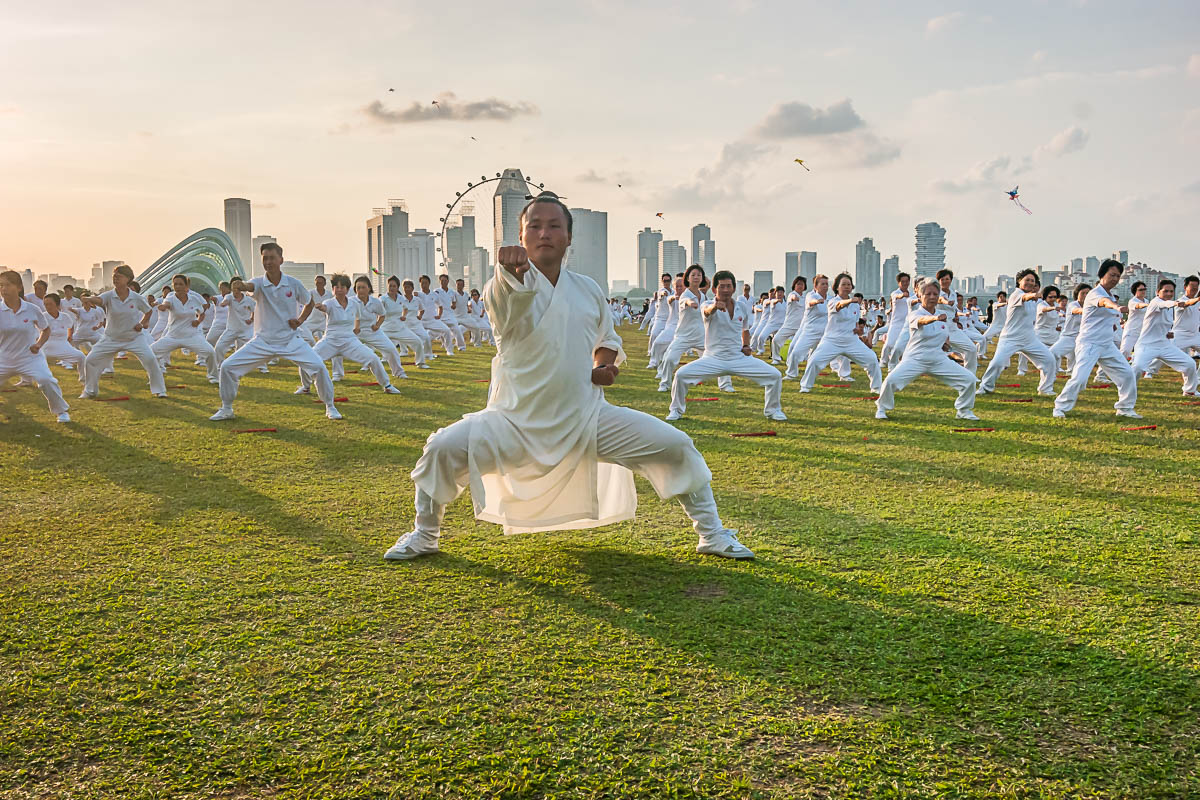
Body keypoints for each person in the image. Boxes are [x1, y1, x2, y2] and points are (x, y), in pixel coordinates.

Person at [383, 193, 752, 561]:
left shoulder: (588, 289)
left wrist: (605, 365)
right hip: (513, 421)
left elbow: (606, 339)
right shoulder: (506, 283)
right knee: (440, 449)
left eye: (554, 226)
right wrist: (510, 268)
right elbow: (510, 301)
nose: (544, 233)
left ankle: (713, 534)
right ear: (521, 237)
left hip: (585, 416)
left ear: (569, 237)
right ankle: (424, 535)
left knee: (676, 445)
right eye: (534, 226)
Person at [210, 242, 342, 421]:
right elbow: (250, 287)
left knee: (318, 367)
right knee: (227, 367)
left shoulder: (293, 284)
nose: (268, 262)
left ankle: (330, 406)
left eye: (272, 258)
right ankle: (226, 408)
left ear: (281, 259)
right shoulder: (259, 283)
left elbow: (309, 302)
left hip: (290, 340)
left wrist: (301, 320)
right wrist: (241, 286)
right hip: (262, 341)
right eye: (265, 258)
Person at [666, 270, 786, 422]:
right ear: (714, 289)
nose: (725, 290)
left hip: (737, 358)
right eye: (721, 286)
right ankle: (676, 410)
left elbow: (745, 329)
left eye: (728, 286)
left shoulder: (741, 306)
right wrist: (715, 307)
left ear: (734, 289)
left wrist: (746, 345)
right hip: (713, 359)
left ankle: (773, 411)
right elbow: (707, 312)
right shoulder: (707, 304)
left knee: (774, 376)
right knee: (681, 375)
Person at [875, 281, 979, 421]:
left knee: (969, 380)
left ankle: (964, 410)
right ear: (919, 295)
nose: (932, 297)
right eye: (928, 294)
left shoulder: (943, 314)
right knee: (890, 381)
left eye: (935, 294)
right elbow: (923, 320)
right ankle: (882, 408)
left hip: (938, 359)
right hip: (915, 358)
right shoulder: (915, 314)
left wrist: (946, 344)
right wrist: (934, 318)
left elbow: (944, 335)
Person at [1053, 259, 1140, 419]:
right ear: (1102, 274)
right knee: (1080, 379)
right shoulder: (1095, 294)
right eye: (1112, 275)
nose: (1115, 279)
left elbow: (1109, 317)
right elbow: (1103, 303)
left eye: (1118, 276)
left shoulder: (1111, 295)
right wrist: (1116, 307)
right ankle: (1060, 407)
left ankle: (1125, 408)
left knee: (1127, 374)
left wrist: (1114, 322)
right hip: (1089, 343)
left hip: (1106, 345)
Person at [294, 274, 401, 396]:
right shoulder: (329, 302)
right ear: (333, 289)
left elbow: (357, 317)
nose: (339, 290)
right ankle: (306, 387)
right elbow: (325, 308)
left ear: (347, 289)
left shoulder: (354, 304)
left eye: (342, 287)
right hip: (330, 341)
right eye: (336, 287)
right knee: (306, 360)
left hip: (350, 341)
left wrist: (356, 327)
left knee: (373, 358)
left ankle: (387, 385)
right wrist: (321, 307)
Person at [79, 264, 168, 400]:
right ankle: (90, 390)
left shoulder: (136, 297)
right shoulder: (109, 295)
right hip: (110, 339)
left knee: (150, 359)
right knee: (90, 360)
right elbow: (100, 300)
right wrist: (89, 299)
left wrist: (143, 323)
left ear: (128, 279)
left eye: (119, 277)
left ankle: (159, 390)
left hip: (134, 339)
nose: (115, 279)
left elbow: (148, 310)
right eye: (114, 276)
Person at [0, 271, 71, 422]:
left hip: (29, 358)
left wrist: (38, 344)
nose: (3, 289)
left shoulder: (32, 309)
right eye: (1, 286)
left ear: (19, 287)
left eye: (7, 285)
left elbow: (45, 329)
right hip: (4, 359)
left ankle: (62, 412)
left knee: (46, 380)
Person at [799, 273, 883, 394]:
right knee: (814, 361)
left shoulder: (855, 305)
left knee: (872, 359)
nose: (847, 287)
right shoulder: (832, 301)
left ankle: (877, 388)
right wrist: (849, 300)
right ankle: (805, 386)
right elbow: (839, 306)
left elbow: (855, 324)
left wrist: (859, 330)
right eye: (843, 284)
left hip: (851, 341)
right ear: (837, 287)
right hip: (832, 341)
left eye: (849, 284)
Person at [978, 270, 1058, 396]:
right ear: (1019, 281)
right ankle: (985, 387)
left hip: (1030, 339)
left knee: (1049, 360)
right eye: (1027, 280)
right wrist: (1033, 295)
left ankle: (1045, 389)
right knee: (998, 363)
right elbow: (1025, 297)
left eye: (1032, 281)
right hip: (1010, 337)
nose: (1030, 282)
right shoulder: (1016, 294)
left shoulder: (1035, 301)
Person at [1131, 280, 1199, 395]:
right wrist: (1175, 303)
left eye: (1171, 291)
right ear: (1158, 292)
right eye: (1165, 291)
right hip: (1147, 345)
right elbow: (1165, 304)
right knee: (1137, 367)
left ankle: (1190, 391)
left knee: (1190, 364)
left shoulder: (1170, 308)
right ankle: (1126, 389)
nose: (1168, 293)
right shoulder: (1155, 302)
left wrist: (1168, 333)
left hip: (1164, 345)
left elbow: (1164, 323)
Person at [150, 274, 220, 384]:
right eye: (175, 284)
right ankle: (156, 376)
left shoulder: (194, 299)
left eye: (180, 284)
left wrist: (197, 321)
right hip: (173, 336)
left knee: (210, 352)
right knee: (151, 352)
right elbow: (166, 304)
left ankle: (214, 377)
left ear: (186, 286)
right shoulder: (170, 297)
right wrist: (163, 307)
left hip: (191, 336)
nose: (177, 287)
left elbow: (201, 313)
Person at [656, 265, 707, 392]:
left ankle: (725, 385)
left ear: (702, 278)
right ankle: (664, 383)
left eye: (699, 275)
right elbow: (686, 302)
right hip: (683, 336)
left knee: (717, 354)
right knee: (670, 359)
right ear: (687, 278)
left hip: (701, 335)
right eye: (693, 275)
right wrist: (691, 303)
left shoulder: (704, 296)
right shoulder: (685, 295)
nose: (696, 277)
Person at [350, 276, 407, 381]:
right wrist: (354, 327)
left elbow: (382, 315)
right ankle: (337, 374)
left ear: (369, 288)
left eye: (363, 287)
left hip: (372, 332)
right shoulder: (350, 301)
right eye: (358, 288)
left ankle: (399, 372)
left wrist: (377, 325)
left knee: (391, 349)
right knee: (337, 349)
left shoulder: (375, 302)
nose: (360, 290)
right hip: (354, 332)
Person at [380, 276, 431, 368]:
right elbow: (379, 313)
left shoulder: (400, 298)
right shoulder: (383, 299)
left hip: (400, 329)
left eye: (394, 286)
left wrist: (403, 316)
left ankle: (420, 363)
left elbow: (405, 308)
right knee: (371, 345)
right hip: (386, 329)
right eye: (390, 286)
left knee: (418, 342)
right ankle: (367, 365)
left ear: (397, 287)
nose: (391, 288)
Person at [936, 269, 979, 375]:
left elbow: (954, 309)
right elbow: (940, 300)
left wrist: (956, 317)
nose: (945, 281)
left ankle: (969, 375)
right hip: (939, 328)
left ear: (951, 280)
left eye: (947, 279)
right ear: (938, 281)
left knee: (971, 349)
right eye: (942, 279)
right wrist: (947, 302)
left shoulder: (953, 293)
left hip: (953, 328)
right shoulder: (936, 292)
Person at [38, 293, 86, 378]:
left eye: (50, 304)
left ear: (57, 304)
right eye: (45, 304)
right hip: (46, 347)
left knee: (81, 357)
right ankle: (27, 380)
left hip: (64, 346)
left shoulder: (65, 316)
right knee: (29, 359)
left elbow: (71, 326)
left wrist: (70, 335)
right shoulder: (42, 316)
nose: (47, 307)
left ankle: (83, 379)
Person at [1050, 284, 1088, 373]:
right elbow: (1076, 310)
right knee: (1053, 353)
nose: (1085, 296)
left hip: (1082, 338)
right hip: (1069, 337)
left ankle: (1071, 373)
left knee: (1075, 359)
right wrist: (1087, 311)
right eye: (1083, 293)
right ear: (1077, 294)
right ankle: (1051, 371)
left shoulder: (1091, 306)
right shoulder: (1072, 304)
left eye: (1088, 293)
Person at [417, 274, 456, 355]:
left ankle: (449, 350)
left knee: (447, 331)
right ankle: (421, 353)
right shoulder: (417, 295)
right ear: (420, 284)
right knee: (421, 337)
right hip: (421, 321)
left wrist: (439, 315)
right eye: (422, 283)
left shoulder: (434, 294)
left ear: (429, 283)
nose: (424, 285)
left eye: (426, 283)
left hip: (432, 320)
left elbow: (440, 306)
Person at [771, 276, 807, 364]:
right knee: (776, 340)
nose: (800, 286)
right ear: (794, 285)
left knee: (799, 344)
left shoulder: (806, 297)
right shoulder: (792, 294)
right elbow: (792, 298)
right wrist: (795, 298)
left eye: (802, 284)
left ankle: (800, 359)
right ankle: (776, 359)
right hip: (789, 325)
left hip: (802, 326)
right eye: (798, 284)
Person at [880, 272, 912, 369]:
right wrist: (902, 295)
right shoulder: (895, 293)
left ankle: (896, 363)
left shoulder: (913, 295)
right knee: (889, 344)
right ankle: (883, 361)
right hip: (896, 324)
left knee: (903, 346)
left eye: (907, 281)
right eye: (903, 282)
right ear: (898, 283)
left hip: (907, 324)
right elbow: (897, 297)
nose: (905, 283)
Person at [1170, 275, 1200, 357]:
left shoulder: (1198, 302)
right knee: (1163, 354)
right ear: (1185, 287)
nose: (1194, 288)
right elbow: (1187, 303)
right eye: (1192, 286)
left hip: (1195, 335)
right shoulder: (1180, 301)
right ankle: (1147, 369)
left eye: (1196, 286)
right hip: (1179, 335)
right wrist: (1198, 299)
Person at [1120, 282, 1150, 359]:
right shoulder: (1132, 301)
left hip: (1142, 331)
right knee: (1125, 351)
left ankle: (1136, 368)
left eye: (1144, 289)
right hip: (1131, 331)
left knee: (1140, 353)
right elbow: (1138, 306)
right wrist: (1148, 305)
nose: (1143, 291)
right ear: (1135, 291)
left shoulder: (1146, 301)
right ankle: (1108, 369)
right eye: (1141, 290)